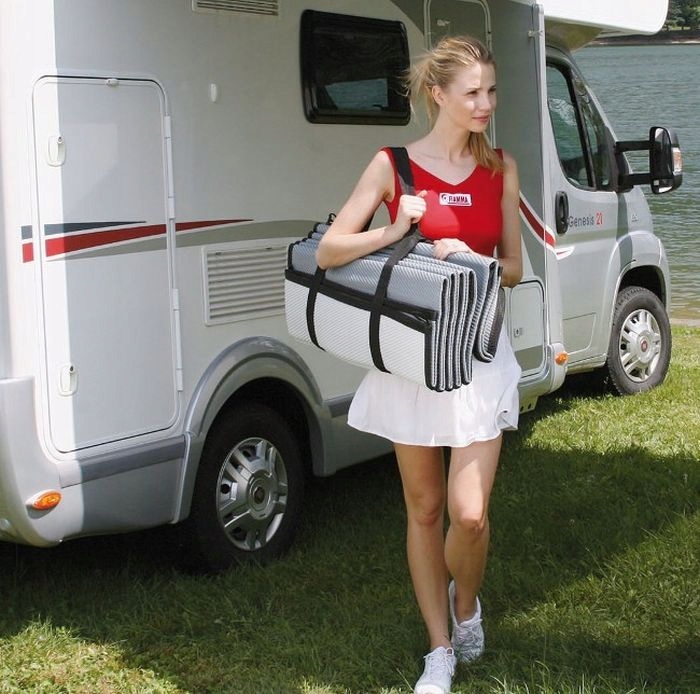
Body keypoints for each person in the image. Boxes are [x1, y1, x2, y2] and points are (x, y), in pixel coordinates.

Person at [316, 35, 522, 694]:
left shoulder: (501, 168)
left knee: (470, 513)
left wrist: (470, 257)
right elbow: (328, 251)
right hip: (410, 356)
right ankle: (439, 648)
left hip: (479, 354)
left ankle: (467, 605)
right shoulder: (393, 166)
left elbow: (515, 267)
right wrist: (394, 230)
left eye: (491, 91)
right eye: (473, 93)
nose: (486, 104)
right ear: (437, 94)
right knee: (426, 508)